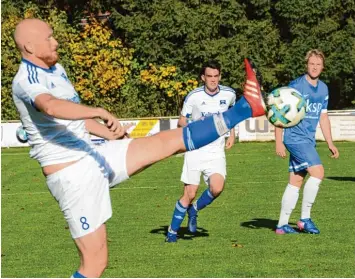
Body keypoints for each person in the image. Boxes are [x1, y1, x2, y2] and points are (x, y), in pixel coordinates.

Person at [12, 18, 265, 278]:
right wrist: (99, 111)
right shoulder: (25, 80)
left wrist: (109, 132)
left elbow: (70, 120)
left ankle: (246, 107)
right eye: (49, 38)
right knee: (95, 264)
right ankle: (246, 108)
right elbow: (51, 107)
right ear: (30, 46)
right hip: (73, 177)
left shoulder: (56, 69)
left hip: (94, 154)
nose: (56, 42)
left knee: (168, 142)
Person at [166, 60, 236, 242]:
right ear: (203, 77)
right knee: (189, 193)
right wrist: (197, 128)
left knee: (217, 187)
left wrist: (232, 134)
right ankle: (172, 232)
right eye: (209, 76)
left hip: (216, 151)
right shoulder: (193, 96)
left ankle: (194, 210)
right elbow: (181, 122)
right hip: (196, 150)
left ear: (220, 76)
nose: (213, 80)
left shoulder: (229, 94)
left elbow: (231, 115)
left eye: (216, 76)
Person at [274, 49, 339, 235]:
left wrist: (330, 143)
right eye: (312, 64)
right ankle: (304, 218)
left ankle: (281, 225)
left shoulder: (324, 89)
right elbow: (280, 112)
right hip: (295, 138)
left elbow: (323, 118)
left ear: (323, 67)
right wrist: (278, 141)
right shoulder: (296, 86)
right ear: (306, 65)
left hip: (308, 140)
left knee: (296, 181)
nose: (315, 67)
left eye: (318, 64)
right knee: (318, 172)